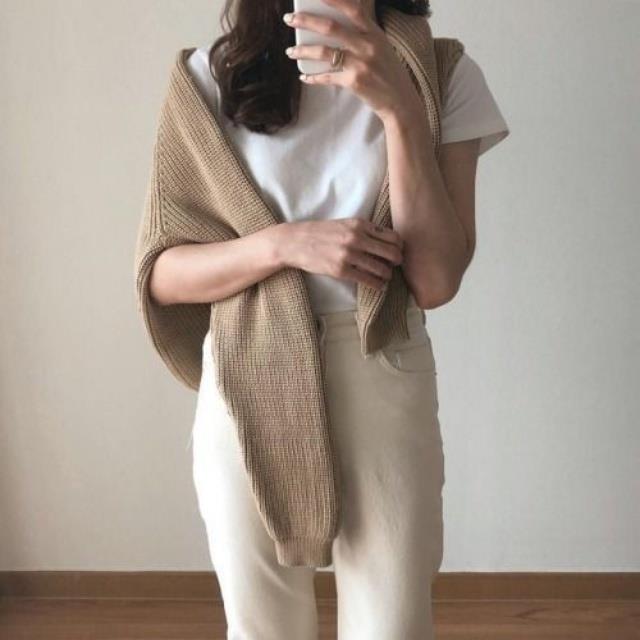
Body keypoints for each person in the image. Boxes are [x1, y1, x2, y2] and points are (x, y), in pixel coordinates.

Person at [148, 0, 509, 637]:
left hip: (381, 364)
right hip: (247, 368)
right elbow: (162, 273)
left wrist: (400, 109)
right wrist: (284, 245)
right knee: (263, 628)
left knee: (392, 625)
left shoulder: (444, 73)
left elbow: (435, 280)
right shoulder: (208, 78)